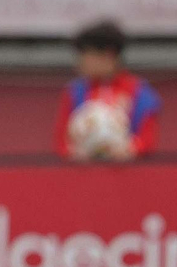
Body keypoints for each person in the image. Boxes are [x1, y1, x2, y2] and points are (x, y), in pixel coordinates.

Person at [55, 19, 160, 161]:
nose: (80, 64)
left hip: (126, 175)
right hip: (85, 175)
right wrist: (74, 152)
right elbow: (61, 141)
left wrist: (130, 149)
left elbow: (147, 141)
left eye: (86, 56)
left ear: (108, 55)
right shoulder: (75, 92)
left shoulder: (141, 93)